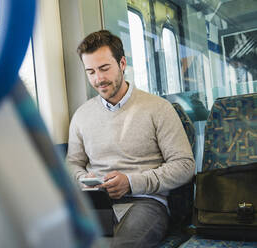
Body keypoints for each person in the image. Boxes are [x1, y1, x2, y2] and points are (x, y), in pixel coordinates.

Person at [66, 30, 195, 247]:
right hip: (97, 203)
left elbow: (185, 165)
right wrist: (83, 181)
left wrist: (131, 182)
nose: (98, 79)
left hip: (146, 201)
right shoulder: (81, 115)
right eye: (91, 72)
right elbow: (72, 163)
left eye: (104, 68)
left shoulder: (159, 109)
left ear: (122, 63)